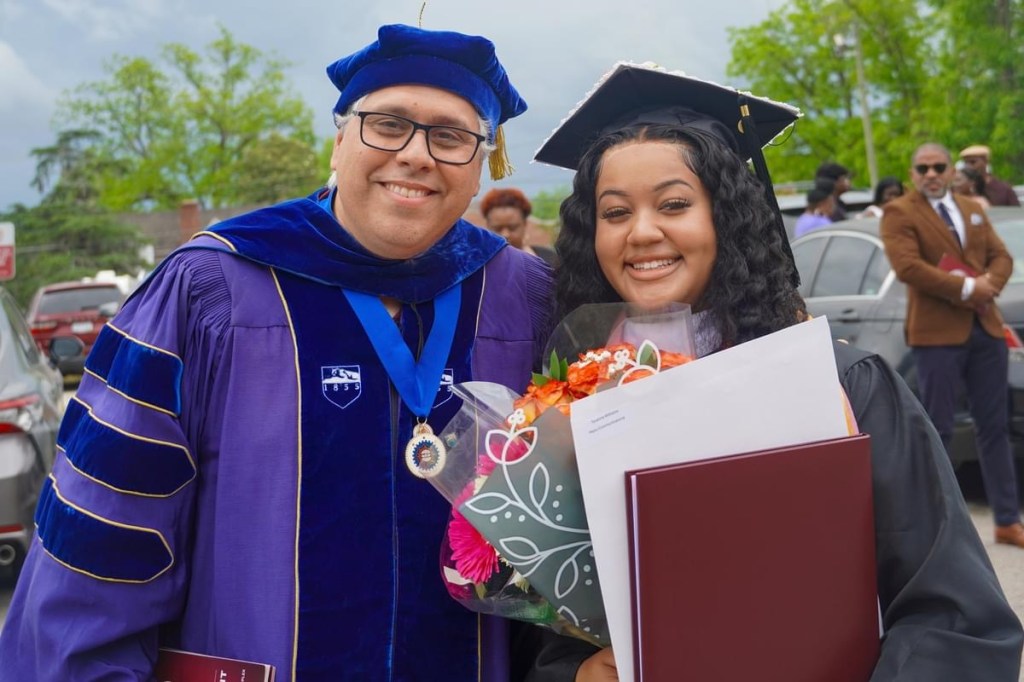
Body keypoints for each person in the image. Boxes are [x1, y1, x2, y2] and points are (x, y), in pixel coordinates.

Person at [0, 25, 556, 682]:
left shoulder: (528, 299)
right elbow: (105, 537)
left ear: (481, 163)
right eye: (388, 124)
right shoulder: (210, 291)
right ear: (340, 138)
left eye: (451, 136)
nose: (415, 154)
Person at [520, 62, 1023, 681]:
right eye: (615, 213)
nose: (642, 232)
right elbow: (558, 625)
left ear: (727, 216)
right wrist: (575, 674)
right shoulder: (580, 407)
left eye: (674, 204)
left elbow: (957, 618)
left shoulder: (841, 385)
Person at [881, 143, 1024, 548]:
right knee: (939, 429)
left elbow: (1002, 257)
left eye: (938, 166)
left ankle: (1008, 520)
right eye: (922, 168)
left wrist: (988, 286)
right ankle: (940, 527)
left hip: (986, 330)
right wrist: (966, 287)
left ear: (949, 170)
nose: (930, 173)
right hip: (936, 335)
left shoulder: (971, 208)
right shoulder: (900, 212)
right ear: (912, 173)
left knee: (993, 429)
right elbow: (908, 267)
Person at [480, 187, 559, 266]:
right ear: (487, 226)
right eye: (497, 228)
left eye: (512, 228)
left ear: (525, 224)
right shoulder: (477, 266)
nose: (505, 234)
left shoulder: (549, 260)